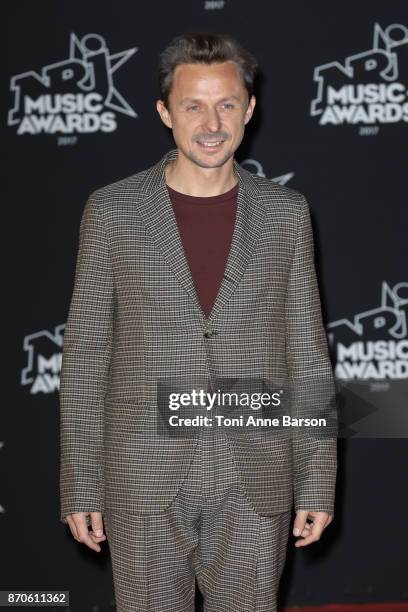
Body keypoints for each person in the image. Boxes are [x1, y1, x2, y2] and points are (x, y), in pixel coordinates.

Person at [59, 31, 337, 612]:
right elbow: (85, 356)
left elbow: (307, 353)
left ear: (249, 110)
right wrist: (82, 483)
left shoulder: (286, 214)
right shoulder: (113, 211)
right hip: (144, 481)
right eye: (193, 105)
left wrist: (316, 479)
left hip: (255, 478)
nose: (211, 123)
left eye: (226, 104)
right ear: (165, 112)